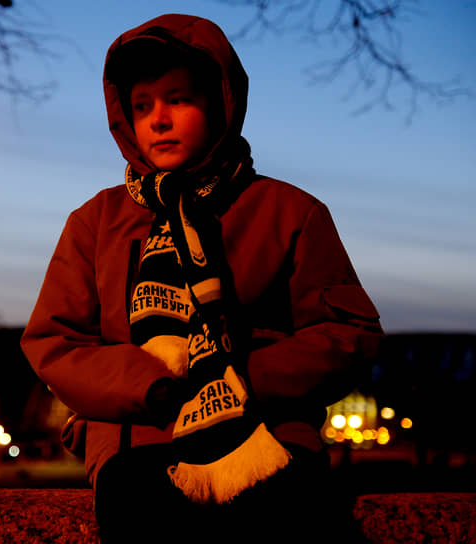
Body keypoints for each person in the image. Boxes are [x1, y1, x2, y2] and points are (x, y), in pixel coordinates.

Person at [21, 13, 384, 543]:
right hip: (135, 442)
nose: (157, 120)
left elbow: (347, 333)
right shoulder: (95, 222)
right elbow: (55, 341)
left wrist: (239, 383)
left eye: (178, 99)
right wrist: (154, 387)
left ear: (220, 102)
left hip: (268, 434)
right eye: (141, 106)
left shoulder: (290, 212)